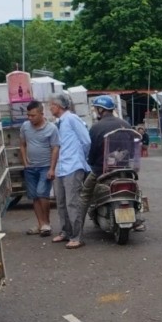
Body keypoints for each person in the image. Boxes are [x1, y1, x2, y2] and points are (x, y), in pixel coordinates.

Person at [78, 95, 132, 238]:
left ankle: (77, 232)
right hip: (125, 170)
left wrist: (91, 162)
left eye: (96, 108)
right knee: (134, 192)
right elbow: (132, 151)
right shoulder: (126, 124)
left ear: (100, 109)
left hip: (101, 171)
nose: (96, 111)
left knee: (84, 195)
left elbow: (92, 153)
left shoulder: (96, 128)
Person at [47, 94, 91, 249]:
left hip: (73, 165)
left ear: (59, 106)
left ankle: (77, 236)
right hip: (62, 166)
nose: (50, 108)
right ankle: (66, 231)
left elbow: (86, 141)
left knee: (72, 202)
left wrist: (81, 158)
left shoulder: (72, 119)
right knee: (61, 202)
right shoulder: (59, 122)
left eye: (52, 105)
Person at [19, 100, 59, 237]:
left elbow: (55, 148)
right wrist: (25, 162)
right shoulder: (25, 127)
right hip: (30, 167)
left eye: (33, 115)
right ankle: (41, 224)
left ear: (41, 114)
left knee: (42, 193)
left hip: (45, 167)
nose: (30, 118)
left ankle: (47, 223)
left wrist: (52, 168)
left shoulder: (51, 128)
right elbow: (22, 144)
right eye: (28, 115)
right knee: (34, 196)